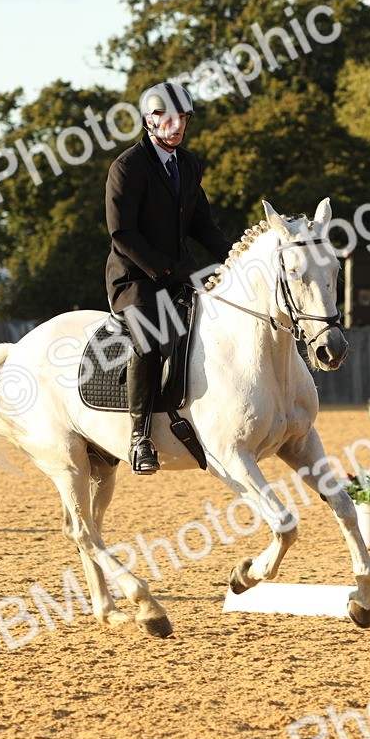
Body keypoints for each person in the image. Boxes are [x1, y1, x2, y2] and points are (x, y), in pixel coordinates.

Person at [105, 82, 232, 475]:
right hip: (135, 279)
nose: (177, 127)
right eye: (170, 119)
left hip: (178, 276)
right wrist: (166, 269)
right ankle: (139, 437)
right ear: (150, 120)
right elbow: (122, 235)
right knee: (149, 342)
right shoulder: (127, 167)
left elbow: (203, 225)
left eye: (184, 119)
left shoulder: (189, 165)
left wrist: (235, 260)